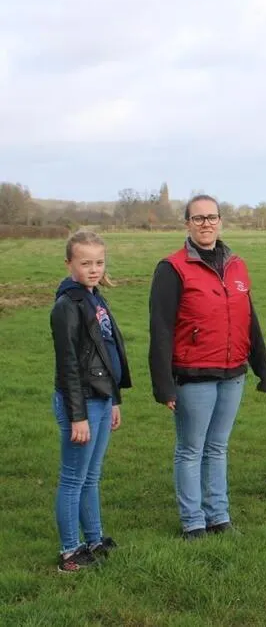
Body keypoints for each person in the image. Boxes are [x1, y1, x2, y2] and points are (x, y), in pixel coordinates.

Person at [148, 194, 266, 540]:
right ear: (187, 223)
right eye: (198, 218)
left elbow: (249, 319)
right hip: (193, 376)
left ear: (220, 221)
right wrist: (163, 385)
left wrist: (262, 369)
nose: (206, 224)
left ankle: (219, 516)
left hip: (232, 373)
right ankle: (193, 522)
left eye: (211, 217)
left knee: (217, 448)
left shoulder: (237, 265)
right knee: (191, 450)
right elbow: (160, 328)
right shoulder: (172, 268)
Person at [50, 230, 131, 572]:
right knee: (73, 478)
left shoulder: (95, 298)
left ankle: (94, 539)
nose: (94, 269)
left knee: (91, 475)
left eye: (99, 262)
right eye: (85, 263)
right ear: (69, 263)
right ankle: (70, 551)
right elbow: (68, 365)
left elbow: (107, 353)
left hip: (101, 399)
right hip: (81, 403)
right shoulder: (67, 306)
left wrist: (114, 399)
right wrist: (77, 416)